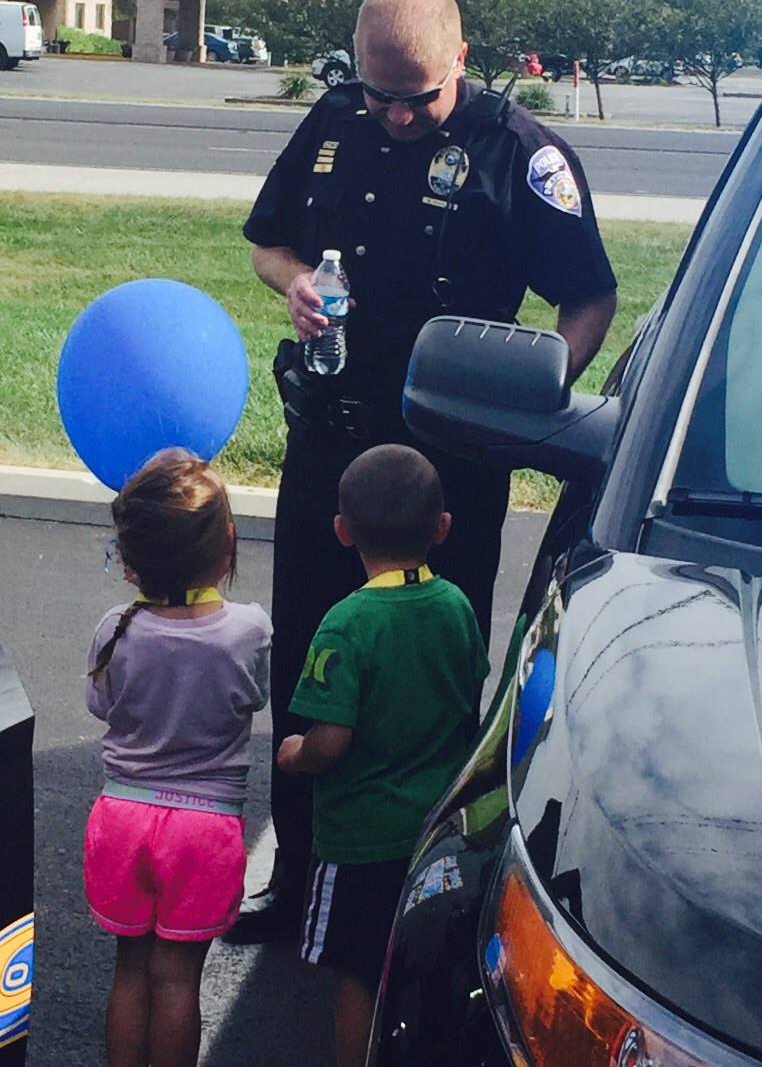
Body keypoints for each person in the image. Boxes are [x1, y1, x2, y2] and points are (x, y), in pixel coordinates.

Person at [230, 0, 618, 942]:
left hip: (449, 459)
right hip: (332, 439)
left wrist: (528, 392)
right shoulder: (332, 120)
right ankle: (301, 875)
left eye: (418, 97)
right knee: (314, 652)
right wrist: (293, 291)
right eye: (379, 95)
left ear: (461, 59)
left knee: (433, 668)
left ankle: (427, 881)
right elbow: (268, 244)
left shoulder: (520, 155)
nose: (396, 116)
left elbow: (589, 300)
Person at [277, 445, 489, 1066]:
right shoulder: (456, 606)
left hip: (358, 843)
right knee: (416, 967)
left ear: (342, 531)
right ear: (443, 527)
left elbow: (331, 741)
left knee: (355, 977)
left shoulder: (345, 624)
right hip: (432, 838)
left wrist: (295, 755)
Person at [83, 450, 272, 1067]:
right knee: (177, 980)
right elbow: (256, 694)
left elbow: (100, 706)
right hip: (203, 829)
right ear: (227, 549)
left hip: (122, 820)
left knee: (130, 971)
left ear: (133, 562)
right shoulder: (247, 630)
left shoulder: (116, 628)